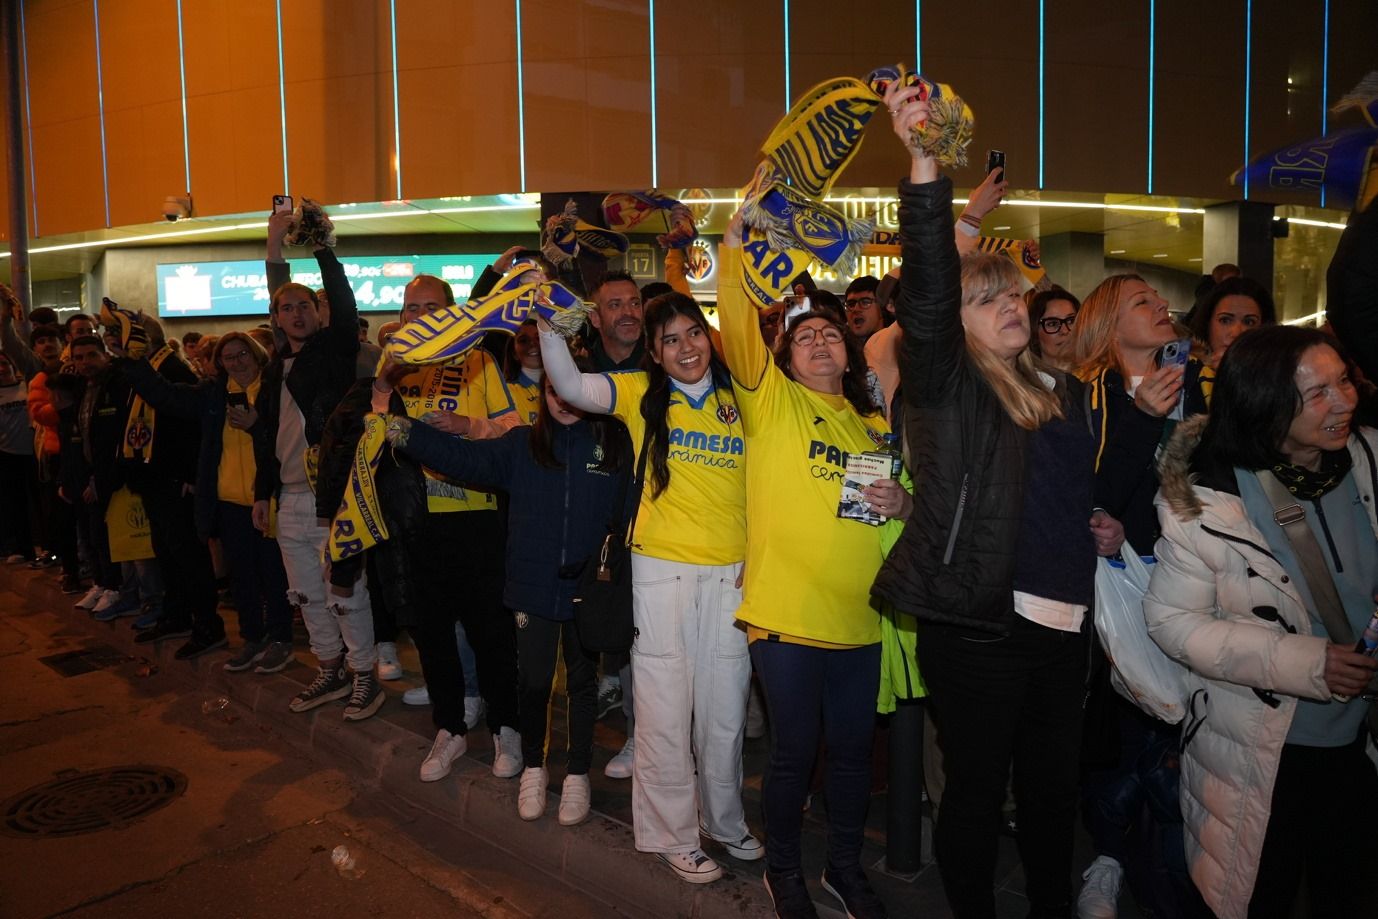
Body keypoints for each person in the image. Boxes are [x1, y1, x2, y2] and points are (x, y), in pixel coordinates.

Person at [869, 78, 1139, 919]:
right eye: (987, 301)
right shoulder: (949, 384)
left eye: (1013, 295)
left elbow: (1066, 488)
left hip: (1065, 628)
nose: (1012, 308)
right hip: (983, 625)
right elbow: (925, 288)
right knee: (978, 796)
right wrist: (923, 159)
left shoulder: (1054, 390)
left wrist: (1098, 521)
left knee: (1053, 795)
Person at [715, 200, 911, 916]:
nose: (823, 342)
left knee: (854, 758)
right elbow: (736, 323)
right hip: (787, 619)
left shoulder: (869, 423)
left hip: (861, 621)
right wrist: (735, 247)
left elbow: (896, 511)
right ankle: (785, 870)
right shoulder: (772, 404)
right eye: (807, 338)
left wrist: (904, 504)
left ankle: (844, 868)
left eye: (832, 333)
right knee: (795, 754)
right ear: (786, 356)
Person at [1144, 325, 1377, 919]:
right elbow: (1173, 622)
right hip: (1257, 749)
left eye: (1343, 380)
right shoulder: (1204, 497)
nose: (1344, 401)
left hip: (1360, 742)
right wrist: (1309, 663)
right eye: (1318, 393)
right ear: (1264, 402)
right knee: (1259, 893)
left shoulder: (1371, 460)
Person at [541, 291, 758, 884]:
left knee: (726, 709)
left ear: (708, 338)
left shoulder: (743, 396)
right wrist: (550, 326)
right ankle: (670, 835)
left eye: (694, 334)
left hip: (733, 575)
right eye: (670, 340)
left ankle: (722, 819)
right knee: (665, 706)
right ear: (655, 355)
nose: (686, 348)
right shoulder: (639, 394)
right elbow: (570, 385)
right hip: (661, 571)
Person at [382, 367, 630, 826]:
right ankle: (533, 767)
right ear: (542, 396)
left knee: (582, 686)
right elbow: (464, 458)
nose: (561, 399)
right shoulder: (522, 445)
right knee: (534, 683)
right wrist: (406, 432)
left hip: (588, 593)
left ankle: (577, 773)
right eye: (551, 390)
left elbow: (632, 510)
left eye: (569, 389)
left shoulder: (614, 446)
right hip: (533, 589)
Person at [332, 273, 523, 780]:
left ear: (451, 311)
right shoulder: (392, 370)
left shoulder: (478, 360)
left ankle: (507, 728)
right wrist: (380, 386)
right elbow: (369, 438)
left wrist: (470, 427)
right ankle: (450, 728)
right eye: (411, 308)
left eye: (430, 306)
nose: (419, 316)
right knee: (432, 636)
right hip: (413, 524)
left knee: (492, 632)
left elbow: (513, 429)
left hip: (478, 517)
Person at [253, 207, 380, 721]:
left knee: (345, 592)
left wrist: (323, 248)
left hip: (332, 496)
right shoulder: (273, 367)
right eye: (287, 309)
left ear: (318, 312)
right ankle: (330, 669)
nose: (297, 313)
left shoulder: (332, 351)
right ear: (276, 318)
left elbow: (345, 305)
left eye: (306, 306)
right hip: (290, 498)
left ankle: (365, 675)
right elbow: (266, 439)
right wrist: (264, 494)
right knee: (307, 596)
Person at [120, 331, 293, 673]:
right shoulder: (214, 394)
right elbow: (167, 397)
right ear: (219, 364)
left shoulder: (276, 390)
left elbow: (286, 439)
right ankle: (252, 639)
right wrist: (136, 362)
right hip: (229, 502)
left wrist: (257, 426)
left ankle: (280, 640)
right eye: (228, 357)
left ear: (257, 355)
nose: (236, 362)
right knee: (242, 578)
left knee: (274, 576)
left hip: (271, 499)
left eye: (243, 354)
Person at [1187, 277, 1275, 369]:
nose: (1236, 333)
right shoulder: (1184, 373)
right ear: (1208, 323)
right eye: (1225, 320)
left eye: (1249, 322)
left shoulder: (1277, 377)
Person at [1027, 287, 1080, 371]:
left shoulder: (1098, 377)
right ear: (1034, 331)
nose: (1064, 331)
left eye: (1071, 321)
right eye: (1053, 324)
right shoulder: (1023, 381)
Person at [843, 276, 886, 343]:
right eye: (851, 304)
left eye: (865, 302)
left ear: (881, 308)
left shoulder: (898, 344)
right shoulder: (840, 348)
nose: (856, 309)